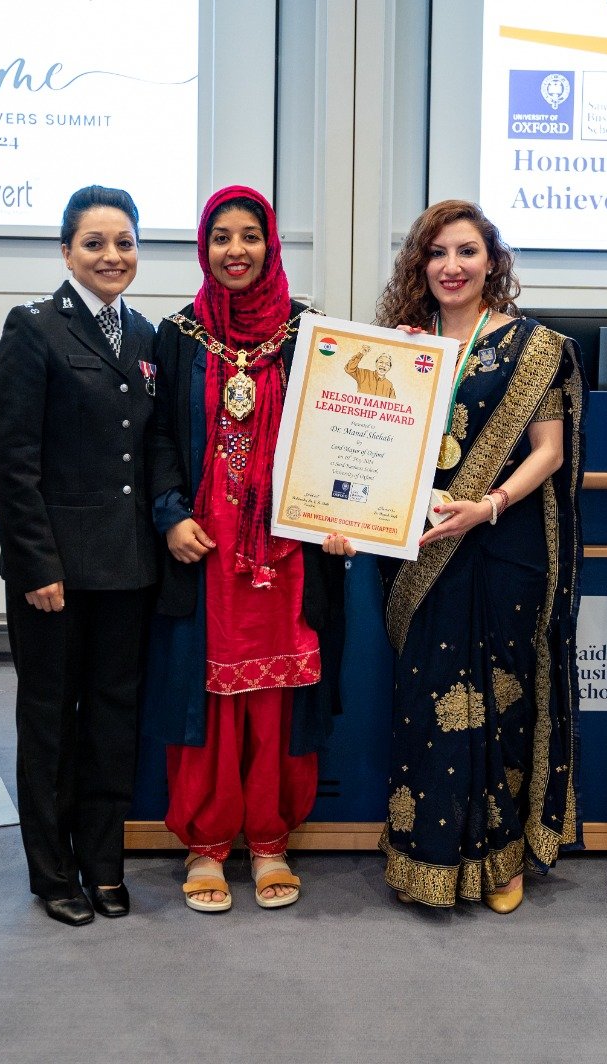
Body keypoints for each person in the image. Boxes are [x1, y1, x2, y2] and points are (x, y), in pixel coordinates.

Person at [365, 199, 583, 912]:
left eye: (466, 251)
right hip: (422, 550)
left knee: (502, 701)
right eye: (436, 253)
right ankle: (425, 854)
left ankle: (503, 859)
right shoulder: (402, 348)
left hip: (503, 543)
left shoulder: (534, 348)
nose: (451, 267)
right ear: (419, 265)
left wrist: (487, 505)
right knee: (426, 703)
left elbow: (550, 452)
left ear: (493, 261)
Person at [144, 185, 347, 913]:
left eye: (250, 236)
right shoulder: (176, 335)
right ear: (204, 247)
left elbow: (344, 428)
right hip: (204, 549)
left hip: (288, 550)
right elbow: (158, 437)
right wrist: (170, 515)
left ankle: (268, 840)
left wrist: (347, 512)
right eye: (221, 237)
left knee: (277, 700)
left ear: (271, 244)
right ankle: (206, 844)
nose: (236, 250)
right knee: (205, 694)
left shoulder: (308, 332)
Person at [0, 185, 157, 928]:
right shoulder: (33, 329)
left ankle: (104, 863)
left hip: (129, 567)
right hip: (55, 571)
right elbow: (11, 459)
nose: (111, 256)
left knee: (114, 719)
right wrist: (35, 565)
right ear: (66, 252)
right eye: (94, 243)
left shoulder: (145, 335)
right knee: (51, 720)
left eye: (124, 242)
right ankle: (53, 872)